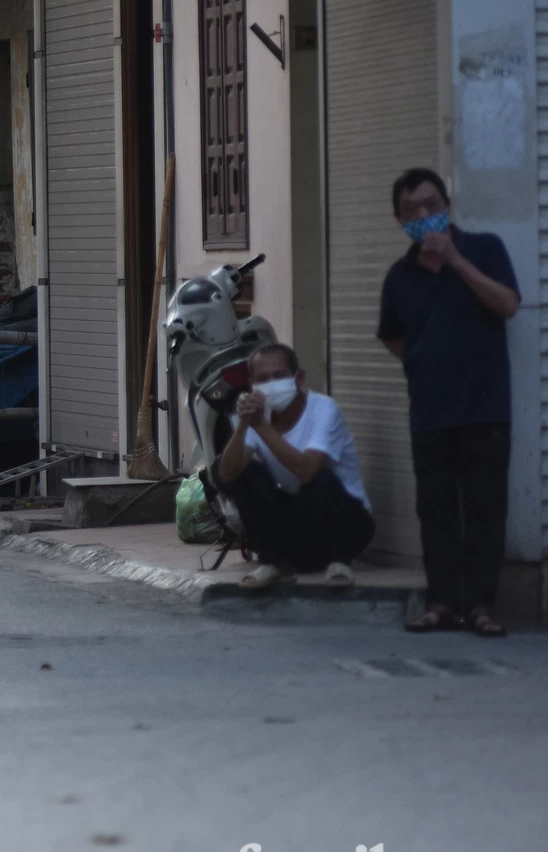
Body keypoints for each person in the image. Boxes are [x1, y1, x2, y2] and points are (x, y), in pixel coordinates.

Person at [378, 168, 520, 637]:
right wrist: (424, 363)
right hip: (431, 412)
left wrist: (456, 260)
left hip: (485, 409)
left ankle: (480, 605)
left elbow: (507, 304)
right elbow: (393, 337)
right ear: (400, 221)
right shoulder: (400, 276)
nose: (423, 216)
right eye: (411, 211)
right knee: (435, 511)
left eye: (431, 206)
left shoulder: (484, 249)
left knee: (484, 507)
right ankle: (441, 602)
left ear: (447, 205)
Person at [215, 343, 374, 590]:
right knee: (242, 472)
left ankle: (339, 562)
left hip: (346, 523)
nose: (272, 384)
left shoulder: (323, 409)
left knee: (319, 479)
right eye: (263, 379)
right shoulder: (256, 416)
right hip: (302, 523)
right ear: (253, 386)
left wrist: (260, 427)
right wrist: (244, 426)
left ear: (298, 378)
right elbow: (227, 475)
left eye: (279, 376)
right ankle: (273, 563)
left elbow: (307, 469)